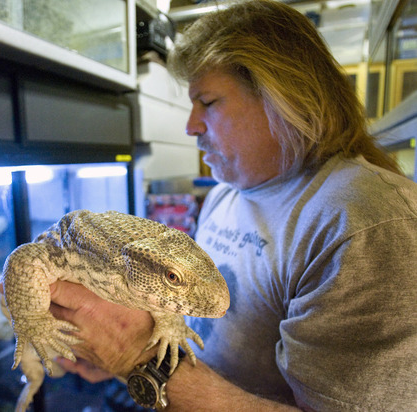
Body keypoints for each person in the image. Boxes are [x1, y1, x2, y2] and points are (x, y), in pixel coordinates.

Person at [49, 1, 417, 410]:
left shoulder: (366, 223)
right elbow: (202, 329)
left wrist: (136, 357)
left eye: (207, 101)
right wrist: (113, 351)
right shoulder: (228, 193)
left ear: (282, 99)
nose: (190, 125)